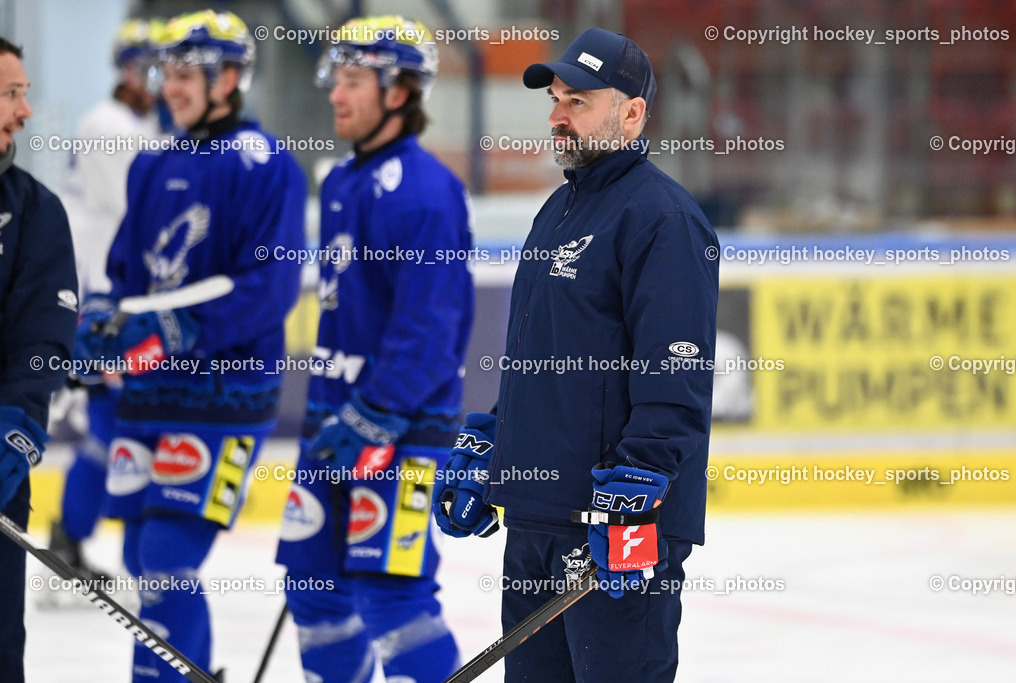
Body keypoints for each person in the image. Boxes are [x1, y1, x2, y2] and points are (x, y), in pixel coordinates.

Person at [432, 27, 720, 682]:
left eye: (579, 101)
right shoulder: (555, 212)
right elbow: (540, 364)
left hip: (612, 534)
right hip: (539, 524)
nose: (558, 116)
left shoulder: (663, 219)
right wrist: (493, 446)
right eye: (556, 99)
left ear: (632, 113)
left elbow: (675, 370)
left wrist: (638, 486)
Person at [74, 10, 305, 682]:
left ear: (228, 77)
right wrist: (102, 321)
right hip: (150, 394)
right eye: (165, 73)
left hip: (224, 396)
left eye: (184, 74)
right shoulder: (154, 160)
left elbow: (270, 288)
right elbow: (125, 269)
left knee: (170, 553)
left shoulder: (266, 166)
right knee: (144, 561)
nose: (168, 87)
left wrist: (174, 331)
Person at [275, 15, 471, 683]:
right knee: (312, 588)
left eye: (354, 81)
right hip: (336, 426)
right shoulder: (340, 183)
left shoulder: (427, 191)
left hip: (402, 428)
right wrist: (342, 416)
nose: (336, 94)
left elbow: (433, 327)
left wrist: (377, 412)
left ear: (399, 92)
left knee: (393, 594)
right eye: (337, 79)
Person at [49, 17, 166, 581]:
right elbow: (137, 214)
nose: (156, 78)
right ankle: (72, 534)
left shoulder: (146, 127)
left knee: (113, 421)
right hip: (99, 298)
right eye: (146, 66)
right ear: (125, 68)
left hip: (115, 297)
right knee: (110, 418)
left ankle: (74, 535)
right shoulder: (108, 124)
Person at [0, 37, 79, 683]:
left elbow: (41, 340)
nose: (24, 110)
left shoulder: (34, 211)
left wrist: (16, 423)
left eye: (23, 92)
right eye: (9, 93)